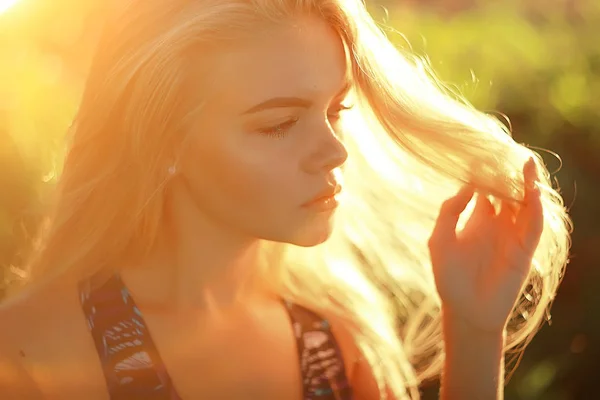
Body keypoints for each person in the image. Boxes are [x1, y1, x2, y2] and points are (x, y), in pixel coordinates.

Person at [0, 0, 571, 399]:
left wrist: (473, 332)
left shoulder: (337, 335)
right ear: (161, 139)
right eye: (277, 125)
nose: (333, 152)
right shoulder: (26, 357)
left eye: (336, 111)